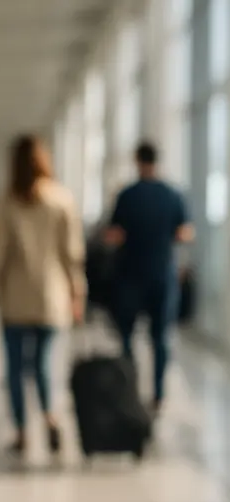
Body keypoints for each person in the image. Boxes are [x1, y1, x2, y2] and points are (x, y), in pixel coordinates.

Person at [0, 135, 86, 455]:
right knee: (44, 365)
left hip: (14, 300)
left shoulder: (9, 202)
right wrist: (77, 295)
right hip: (52, 300)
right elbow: (72, 255)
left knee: (14, 368)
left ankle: (22, 431)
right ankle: (50, 417)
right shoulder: (62, 199)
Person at [105, 141, 192, 416]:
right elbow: (184, 233)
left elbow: (113, 235)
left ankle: (130, 387)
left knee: (128, 336)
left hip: (131, 274)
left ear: (137, 161)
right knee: (160, 337)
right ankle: (158, 395)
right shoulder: (172, 195)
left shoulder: (127, 195)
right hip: (162, 275)